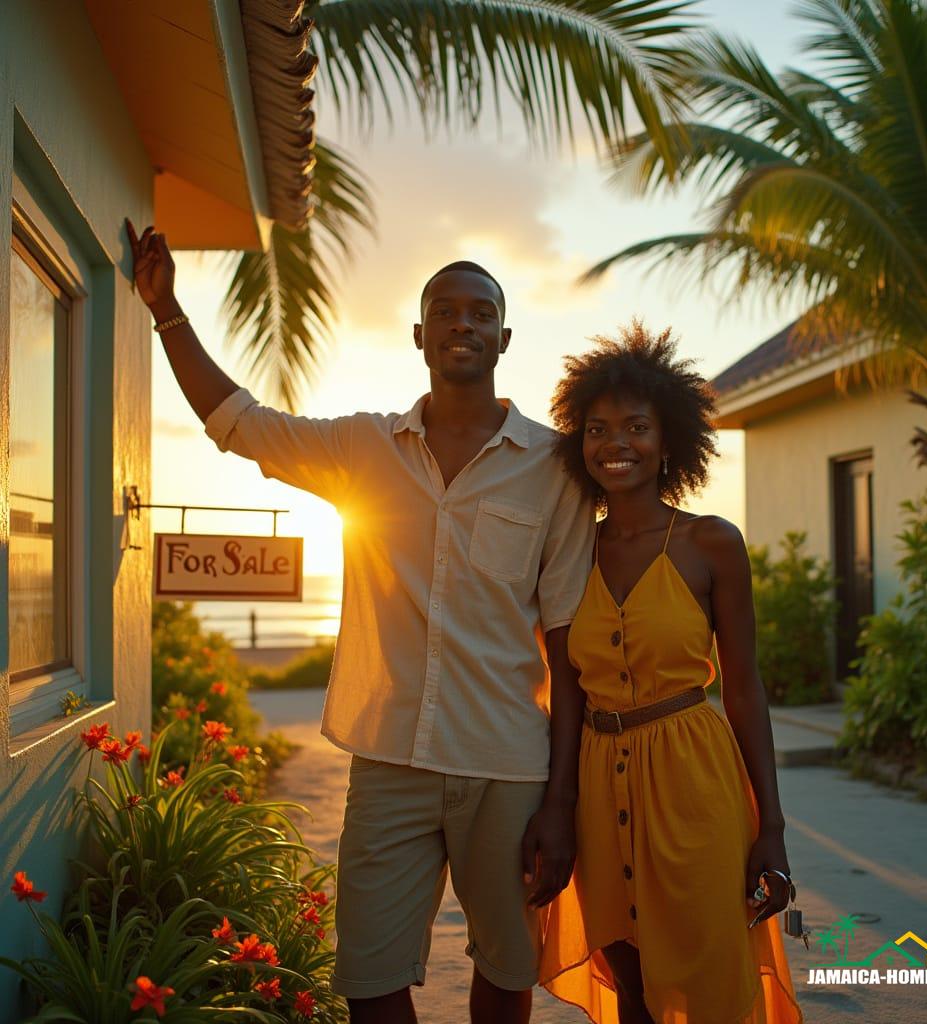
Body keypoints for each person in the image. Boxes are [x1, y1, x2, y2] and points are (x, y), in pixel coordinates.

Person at [125, 220, 595, 1024]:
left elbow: (567, 645)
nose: (462, 324)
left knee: (506, 969)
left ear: (505, 338)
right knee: (369, 978)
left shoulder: (555, 469)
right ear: (418, 336)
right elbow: (239, 423)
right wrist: (166, 311)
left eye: (481, 313)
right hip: (387, 760)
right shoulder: (362, 447)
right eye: (445, 311)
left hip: (508, 766)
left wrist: (562, 799)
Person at [539, 321, 804, 1024]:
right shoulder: (569, 554)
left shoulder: (711, 543)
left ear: (669, 442)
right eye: (597, 429)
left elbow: (742, 688)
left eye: (636, 427)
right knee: (631, 988)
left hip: (693, 780)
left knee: (709, 977)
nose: (616, 443)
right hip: (598, 786)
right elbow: (564, 688)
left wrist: (772, 827)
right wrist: (558, 804)